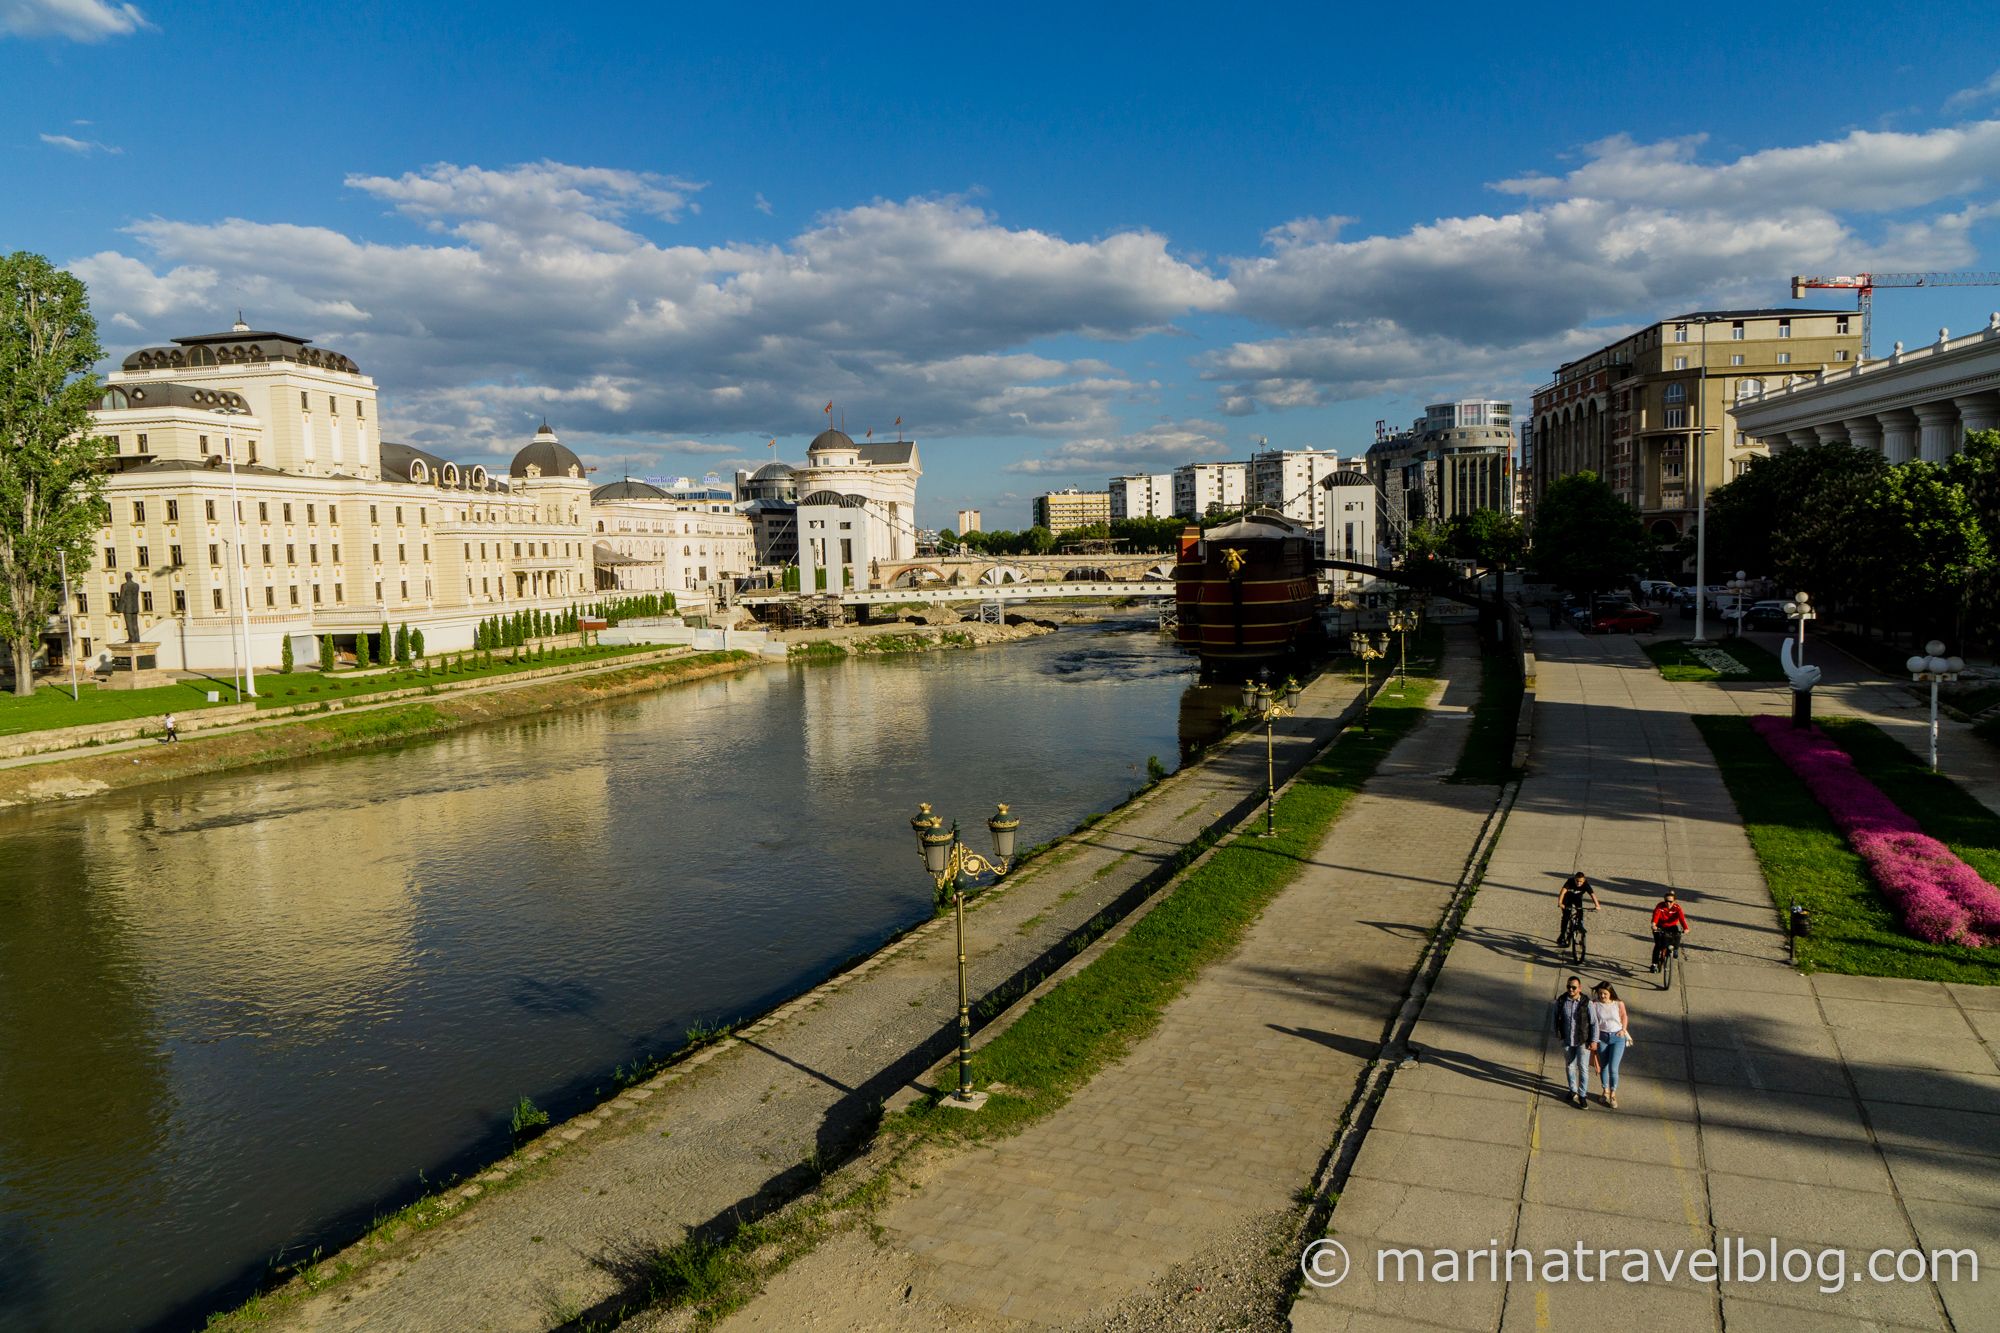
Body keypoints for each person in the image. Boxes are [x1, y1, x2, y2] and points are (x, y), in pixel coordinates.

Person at [1550, 976, 1598, 1108]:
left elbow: (1594, 1023)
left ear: (1579, 988)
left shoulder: (1586, 1003)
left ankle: (1582, 1094)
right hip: (1567, 1040)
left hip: (1583, 1041)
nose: (1571, 989)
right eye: (1569, 987)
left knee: (1583, 1068)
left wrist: (1594, 1040)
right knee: (1570, 1066)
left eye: (1574, 987)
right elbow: (1555, 1017)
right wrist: (1557, 1033)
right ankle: (1573, 1090)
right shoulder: (1561, 1001)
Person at [1588, 981, 1631, 1108]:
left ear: (1610, 993)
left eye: (1605, 993)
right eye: (1600, 993)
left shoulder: (1618, 1003)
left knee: (1613, 1067)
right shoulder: (1594, 1004)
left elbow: (1624, 1016)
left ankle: (1613, 1093)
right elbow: (1592, 1021)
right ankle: (1605, 1090)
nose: (1602, 996)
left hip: (1617, 1037)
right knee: (1603, 1066)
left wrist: (1623, 1030)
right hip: (1602, 1037)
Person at [1650, 890, 1690, 972]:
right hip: (1659, 927)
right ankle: (1654, 964)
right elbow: (1656, 916)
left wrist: (1686, 928)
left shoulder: (1677, 908)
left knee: (1678, 934)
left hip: (1671, 926)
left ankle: (1675, 949)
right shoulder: (1660, 906)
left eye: (1670, 901)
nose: (1668, 903)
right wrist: (1654, 925)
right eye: (1666, 901)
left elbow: (1682, 919)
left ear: (1674, 901)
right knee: (1658, 945)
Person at [1556, 873, 1600, 947]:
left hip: (1577, 899)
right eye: (1577, 881)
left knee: (1580, 911)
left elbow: (1592, 895)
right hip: (1567, 899)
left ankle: (1579, 925)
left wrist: (1597, 905)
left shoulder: (1586, 884)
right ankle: (1562, 934)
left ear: (1584, 880)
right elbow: (1562, 892)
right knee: (1566, 916)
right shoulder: (1570, 881)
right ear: (1574, 879)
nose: (1579, 883)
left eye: (1581, 882)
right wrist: (1560, 903)